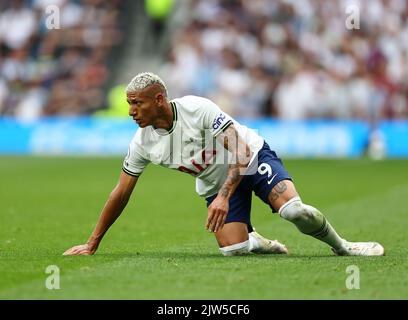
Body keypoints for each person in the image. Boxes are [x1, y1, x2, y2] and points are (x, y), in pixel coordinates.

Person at [63, 72, 385, 257]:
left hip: (251, 158)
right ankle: (255, 238)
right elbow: (120, 193)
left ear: (159, 99)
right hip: (216, 184)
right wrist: (92, 244)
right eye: (129, 104)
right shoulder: (142, 144)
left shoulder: (197, 108)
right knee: (234, 250)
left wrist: (224, 196)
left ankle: (343, 247)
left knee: (294, 211)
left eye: (137, 104)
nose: (131, 111)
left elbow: (241, 152)